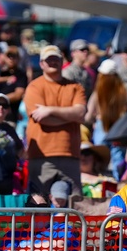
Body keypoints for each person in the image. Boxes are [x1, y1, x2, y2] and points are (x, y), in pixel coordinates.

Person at [23, 44, 88, 196]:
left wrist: (50, 110)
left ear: (62, 60)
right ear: (41, 64)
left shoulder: (75, 87)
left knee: (75, 204)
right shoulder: (34, 87)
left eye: (56, 59)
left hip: (70, 152)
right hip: (41, 155)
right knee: (38, 203)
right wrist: (71, 117)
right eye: (48, 60)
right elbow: (43, 120)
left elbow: (81, 113)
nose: (52, 62)